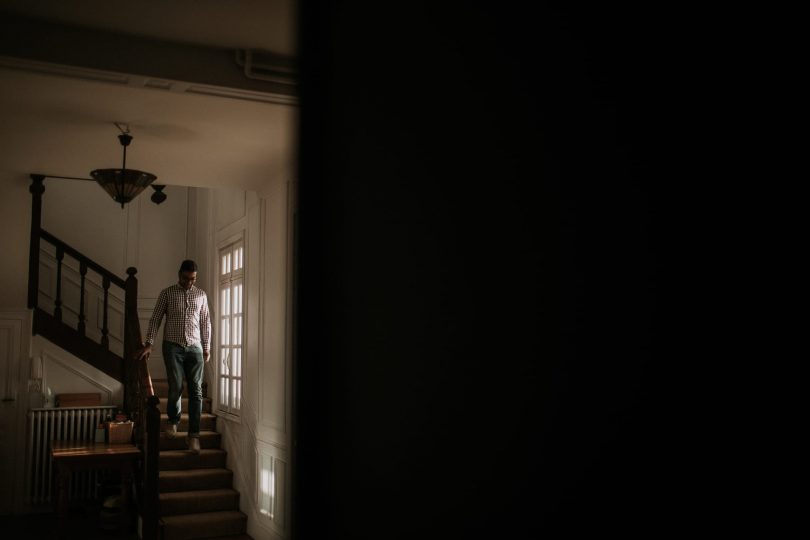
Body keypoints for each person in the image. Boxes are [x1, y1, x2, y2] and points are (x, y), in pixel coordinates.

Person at [138, 260, 211, 454]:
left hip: (195, 347)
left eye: (193, 279)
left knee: (196, 391)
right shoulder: (167, 293)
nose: (189, 282)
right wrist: (149, 343)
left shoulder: (201, 295)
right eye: (186, 278)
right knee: (176, 385)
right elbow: (155, 318)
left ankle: (193, 436)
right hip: (173, 347)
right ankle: (173, 421)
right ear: (179, 274)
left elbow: (205, 322)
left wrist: (206, 347)